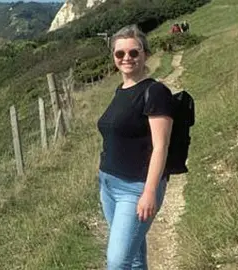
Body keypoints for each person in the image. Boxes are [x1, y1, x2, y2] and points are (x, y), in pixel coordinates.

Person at [97, 24, 174, 270]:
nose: (127, 58)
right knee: (135, 255)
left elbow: (161, 146)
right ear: (114, 58)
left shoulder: (155, 92)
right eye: (120, 54)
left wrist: (150, 192)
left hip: (136, 189)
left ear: (145, 54)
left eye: (134, 52)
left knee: (117, 262)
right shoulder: (121, 90)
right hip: (108, 185)